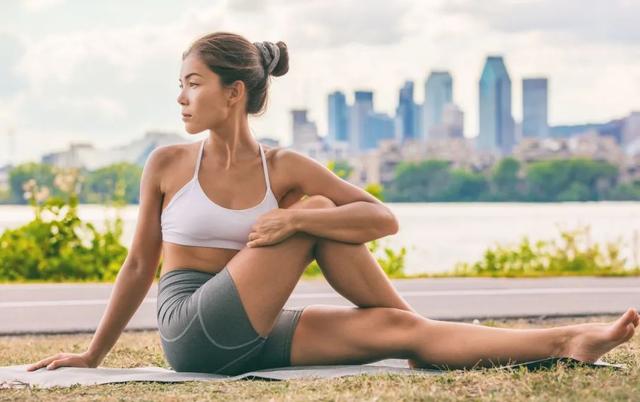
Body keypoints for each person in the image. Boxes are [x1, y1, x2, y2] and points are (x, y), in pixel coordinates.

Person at [27, 32, 639, 375]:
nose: (181, 97)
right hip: (192, 329)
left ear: (234, 93)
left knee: (392, 323)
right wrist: (92, 355)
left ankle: (565, 341)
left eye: (193, 83)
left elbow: (382, 219)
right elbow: (139, 266)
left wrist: (297, 215)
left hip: (253, 332)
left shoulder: (283, 167)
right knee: (320, 208)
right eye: (180, 84)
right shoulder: (166, 163)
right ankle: (432, 334)